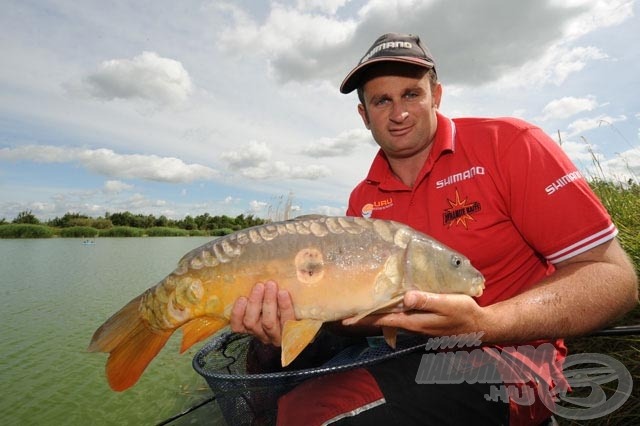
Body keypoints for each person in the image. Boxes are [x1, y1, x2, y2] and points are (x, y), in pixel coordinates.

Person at [230, 33, 638, 425]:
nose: (399, 112)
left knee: (314, 415)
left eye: (411, 93)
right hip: (404, 347)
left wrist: (488, 323)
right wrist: (303, 310)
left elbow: (614, 279)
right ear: (363, 114)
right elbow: (355, 316)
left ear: (436, 95)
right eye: (381, 100)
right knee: (267, 352)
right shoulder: (362, 198)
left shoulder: (511, 144)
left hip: (507, 357)